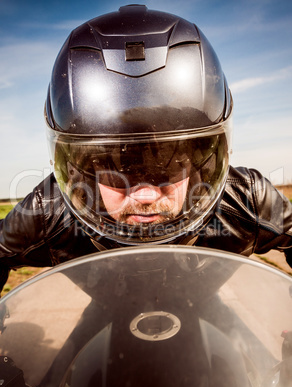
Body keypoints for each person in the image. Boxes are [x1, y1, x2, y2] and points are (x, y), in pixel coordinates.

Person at [1, 4, 292, 294]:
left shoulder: (245, 200)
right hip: (105, 314)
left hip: (209, 313)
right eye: (115, 172)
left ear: (205, 165)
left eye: (170, 167)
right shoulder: (50, 212)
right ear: (82, 172)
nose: (145, 195)